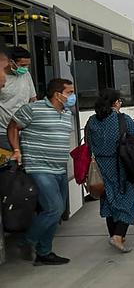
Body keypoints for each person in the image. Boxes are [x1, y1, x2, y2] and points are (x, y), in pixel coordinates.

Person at [8, 78, 75, 266]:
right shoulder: (33, 109)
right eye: (69, 93)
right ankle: (26, 243)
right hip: (39, 168)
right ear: (57, 94)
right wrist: (16, 150)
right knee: (53, 208)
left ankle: (44, 252)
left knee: (56, 211)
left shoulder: (66, 113)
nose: (72, 97)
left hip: (60, 169)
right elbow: (13, 126)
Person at [86, 88, 134, 253]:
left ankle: (113, 234)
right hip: (121, 166)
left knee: (108, 201)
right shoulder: (122, 119)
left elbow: (88, 143)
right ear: (115, 102)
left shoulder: (92, 121)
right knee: (128, 200)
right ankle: (118, 236)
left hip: (100, 167)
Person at [0, 47, 36, 150]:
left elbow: (33, 99)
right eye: (23, 65)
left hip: (24, 131)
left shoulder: (26, 75)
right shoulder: (1, 77)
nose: (25, 68)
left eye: (27, 65)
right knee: (12, 163)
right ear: (11, 62)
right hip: (3, 132)